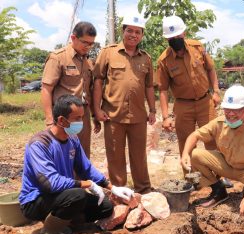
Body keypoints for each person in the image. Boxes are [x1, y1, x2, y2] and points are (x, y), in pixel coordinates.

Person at [19, 95, 134, 234]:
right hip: (36, 200)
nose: (81, 122)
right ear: (61, 120)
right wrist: (86, 184)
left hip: (62, 194)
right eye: (77, 118)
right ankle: (49, 232)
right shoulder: (39, 144)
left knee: (105, 206)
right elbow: (50, 183)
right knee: (77, 196)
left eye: (82, 117)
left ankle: (64, 221)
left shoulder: (72, 139)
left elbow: (85, 168)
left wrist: (111, 187)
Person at [157, 15, 233, 188]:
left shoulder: (197, 47)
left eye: (177, 36)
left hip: (205, 101)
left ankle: (220, 176)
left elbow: (211, 69)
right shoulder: (164, 60)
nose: (175, 40)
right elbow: (162, 89)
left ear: (184, 32)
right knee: (185, 142)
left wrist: (216, 91)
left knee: (213, 139)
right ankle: (192, 180)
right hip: (183, 105)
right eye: (171, 38)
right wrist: (166, 116)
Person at [180, 85, 244, 215]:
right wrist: (184, 154)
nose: (231, 114)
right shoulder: (220, 123)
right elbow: (195, 135)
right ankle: (219, 191)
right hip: (226, 165)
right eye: (227, 109)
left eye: (236, 110)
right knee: (194, 155)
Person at [92, 15, 156, 194]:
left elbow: (149, 86)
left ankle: (143, 190)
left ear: (142, 35)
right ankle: (119, 191)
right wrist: (97, 109)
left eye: (137, 32)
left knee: (139, 156)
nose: (133, 35)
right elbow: (98, 81)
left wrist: (152, 110)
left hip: (138, 116)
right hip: (113, 114)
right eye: (130, 31)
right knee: (115, 156)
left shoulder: (146, 58)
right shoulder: (108, 52)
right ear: (123, 31)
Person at [41, 21, 97, 158]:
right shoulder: (58, 57)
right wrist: (49, 120)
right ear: (73, 38)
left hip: (82, 115)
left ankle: (81, 179)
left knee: (82, 154)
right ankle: (64, 179)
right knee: (62, 154)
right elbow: (46, 89)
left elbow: (89, 92)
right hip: (63, 116)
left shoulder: (88, 62)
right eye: (85, 42)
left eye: (91, 43)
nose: (88, 47)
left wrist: (94, 116)